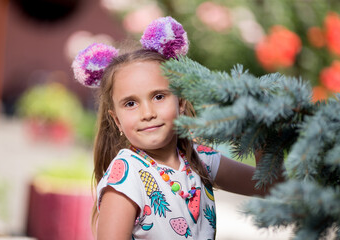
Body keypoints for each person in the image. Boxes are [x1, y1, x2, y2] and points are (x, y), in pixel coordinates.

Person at [72, 16, 277, 240]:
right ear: (117, 120)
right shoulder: (125, 178)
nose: (148, 113)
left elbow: (269, 186)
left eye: (159, 96)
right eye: (131, 103)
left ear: (180, 102)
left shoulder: (201, 160)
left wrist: (261, 130)